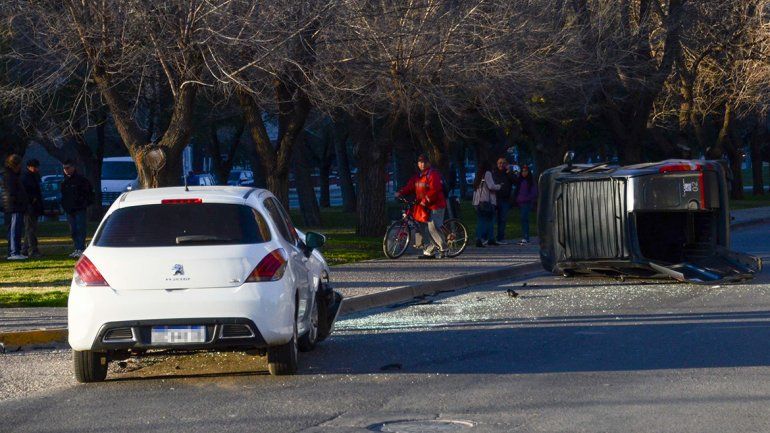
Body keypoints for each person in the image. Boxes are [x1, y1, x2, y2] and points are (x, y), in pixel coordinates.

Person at [395, 154, 448, 259]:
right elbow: (410, 187)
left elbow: (435, 190)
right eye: (420, 162)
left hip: (435, 205)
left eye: (424, 162)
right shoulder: (418, 176)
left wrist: (425, 200)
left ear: (428, 163)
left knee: (432, 226)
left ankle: (443, 248)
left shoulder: (432, 174)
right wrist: (400, 193)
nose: (422, 164)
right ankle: (429, 249)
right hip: (423, 206)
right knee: (422, 226)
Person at [61, 160, 94, 258]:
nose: (65, 170)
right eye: (64, 168)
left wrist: (83, 204)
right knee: (73, 230)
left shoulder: (81, 180)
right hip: (69, 210)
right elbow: (64, 196)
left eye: (67, 168)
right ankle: (77, 248)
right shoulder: (65, 182)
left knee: (80, 229)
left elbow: (88, 194)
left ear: (73, 167)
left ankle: (81, 248)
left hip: (79, 209)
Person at [3, 154, 28, 260]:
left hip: (13, 205)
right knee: (15, 229)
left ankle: (14, 251)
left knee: (15, 229)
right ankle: (14, 252)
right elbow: (12, 192)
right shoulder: (10, 176)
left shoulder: (9, 175)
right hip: (14, 206)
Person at [472, 160, 501, 247]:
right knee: (486, 220)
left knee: (484, 220)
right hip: (486, 201)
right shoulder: (487, 173)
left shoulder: (479, 175)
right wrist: (499, 186)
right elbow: (491, 186)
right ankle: (481, 239)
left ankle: (488, 238)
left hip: (478, 201)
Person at [21, 159, 43, 258]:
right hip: (30, 206)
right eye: (35, 167)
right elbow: (26, 191)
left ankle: (25, 249)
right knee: (31, 229)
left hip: (33, 205)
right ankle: (32, 250)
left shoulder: (30, 176)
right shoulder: (27, 177)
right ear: (29, 167)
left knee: (30, 228)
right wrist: (32, 199)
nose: (36, 169)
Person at [492, 157, 517, 245]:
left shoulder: (508, 173)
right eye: (500, 163)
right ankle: (489, 237)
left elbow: (515, 181)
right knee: (492, 219)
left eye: (503, 163)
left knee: (502, 219)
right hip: (495, 198)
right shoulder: (494, 172)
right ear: (497, 164)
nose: (501, 165)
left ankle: (500, 237)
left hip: (505, 199)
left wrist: (509, 172)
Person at [514, 164, 538, 244]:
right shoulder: (520, 181)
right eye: (523, 171)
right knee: (523, 219)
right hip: (520, 203)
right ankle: (525, 236)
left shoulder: (530, 181)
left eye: (526, 171)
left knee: (525, 219)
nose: (524, 173)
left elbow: (534, 193)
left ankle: (526, 236)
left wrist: (527, 199)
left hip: (526, 203)